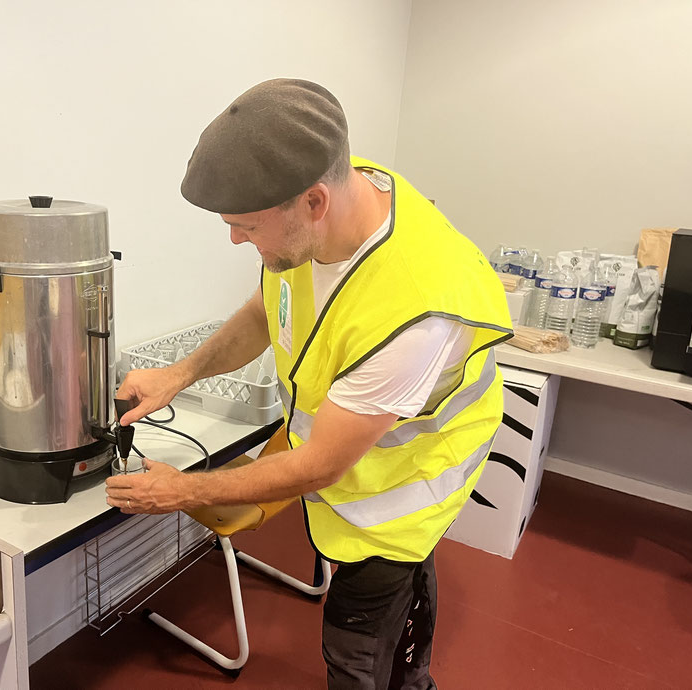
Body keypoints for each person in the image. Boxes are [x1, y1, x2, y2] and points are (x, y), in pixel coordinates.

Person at [105, 78, 512, 689]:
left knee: (356, 650)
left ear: (314, 202)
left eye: (245, 225)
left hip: (407, 484)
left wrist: (182, 492)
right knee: (402, 594)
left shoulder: (413, 311)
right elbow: (268, 309)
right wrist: (179, 374)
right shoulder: (338, 194)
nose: (236, 239)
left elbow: (322, 464)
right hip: (358, 455)